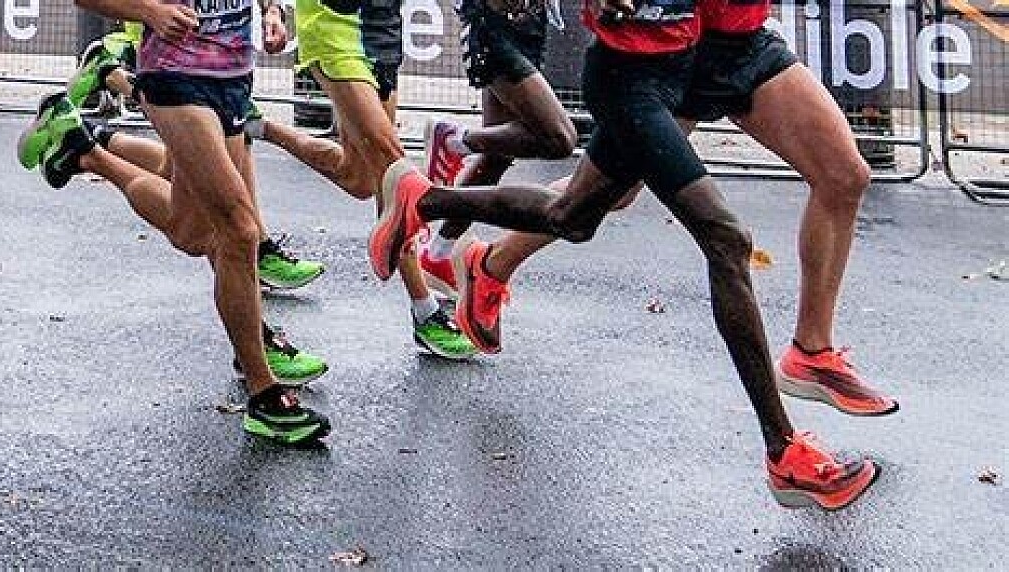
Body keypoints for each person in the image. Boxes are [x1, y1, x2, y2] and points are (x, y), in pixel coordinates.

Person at [366, 0, 880, 509]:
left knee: (574, 214)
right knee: (726, 239)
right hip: (637, 77)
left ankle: (433, 209)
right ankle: (783, 451)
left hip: (706, 52)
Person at [19, 0, 330, 444]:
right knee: (239, 231)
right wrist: (149, 11)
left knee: (192, 232)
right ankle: (264, 394)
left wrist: (273, 11)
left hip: (235, 81)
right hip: (176, 80)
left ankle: (84, 150)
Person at [671, 0, 897, 416]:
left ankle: (811, 353)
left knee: (843, 175)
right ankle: (523, 258)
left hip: (744, 41)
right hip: (674, 47)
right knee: (600, 197)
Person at [241, 0, 478, 360]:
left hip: (382, 28)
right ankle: (424, 311)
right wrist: (273, 10)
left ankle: (261, 127)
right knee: (394, 173)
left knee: (360, 179)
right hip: (333, 24)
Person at [65, 21, 328, 292]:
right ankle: (257, 251)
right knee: (202, 222)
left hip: (220, 58)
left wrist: (271, 9)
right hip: (183, 54)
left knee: (178, 170)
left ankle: (92, 131)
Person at [416, 0, 578, 297]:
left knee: (497, 157)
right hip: (495, 23)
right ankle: (454, 140)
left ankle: (438, 254)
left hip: (529, 23)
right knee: (559, 139)